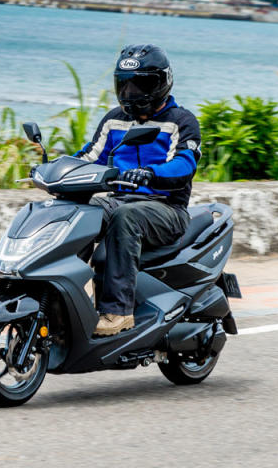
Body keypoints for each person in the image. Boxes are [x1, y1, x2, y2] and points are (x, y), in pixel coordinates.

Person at [75, 44, 202, 337]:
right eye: (125, 84)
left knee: (126, 217)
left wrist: (150, 173)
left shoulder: (181, 122)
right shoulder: (114, 120)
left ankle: (118, 312)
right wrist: (53, 168)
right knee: (79, 212)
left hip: (167, 209)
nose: (131, 92)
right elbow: (89, 156)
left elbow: (184, 166)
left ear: (161, 83)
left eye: (140, 84)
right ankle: (65, 296)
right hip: (120, 201)